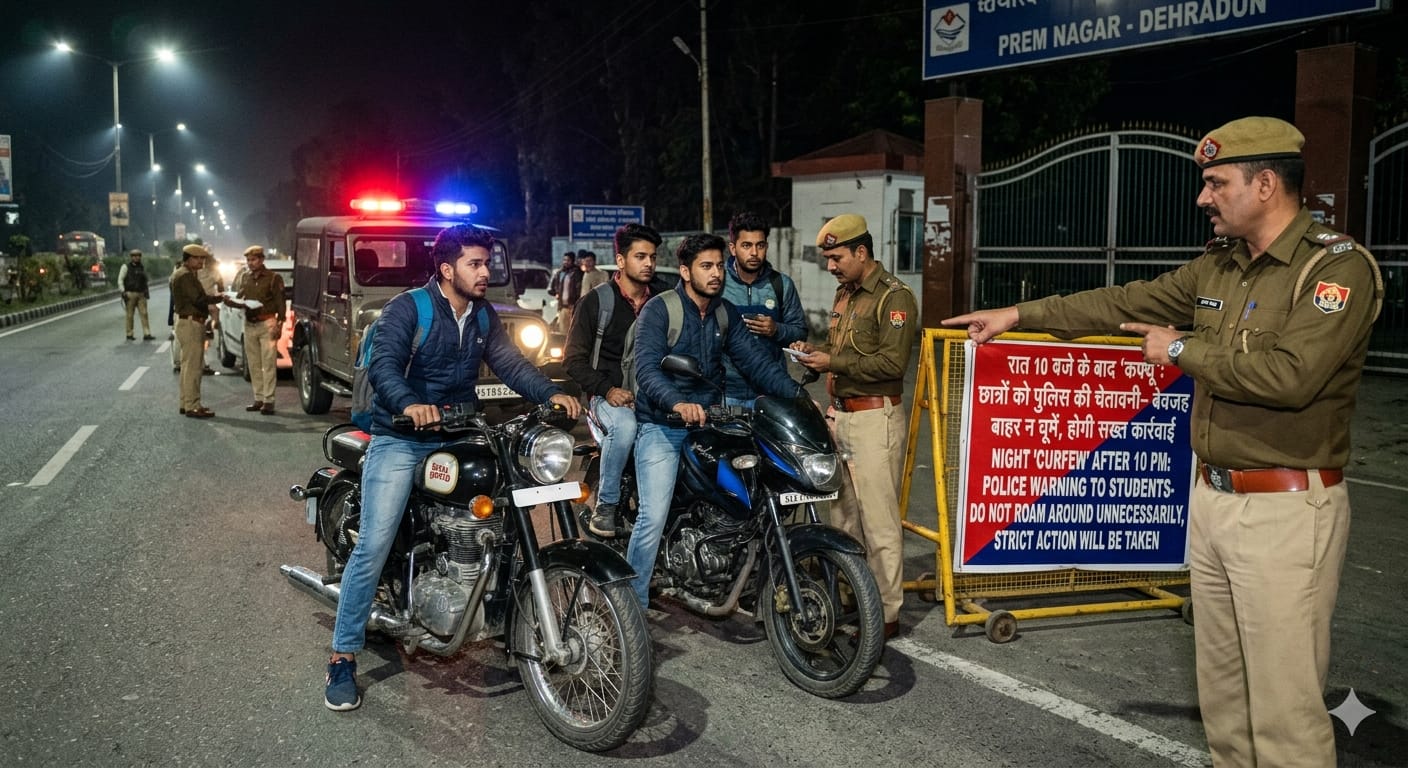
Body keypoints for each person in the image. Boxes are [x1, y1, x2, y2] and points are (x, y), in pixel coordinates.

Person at [942, 117, 1383, 768]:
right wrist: (1017, 314)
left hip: (1286, 511)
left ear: (1266, 184)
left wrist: (1180, 350)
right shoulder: (1221, 265)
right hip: (1212, 501)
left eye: (1217, 183)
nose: (1204, 197)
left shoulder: (1334, 269)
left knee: (1284, 712)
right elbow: (1124, 300)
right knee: (1224, 697)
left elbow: (1292, 377)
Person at [324, 224, 581, 712]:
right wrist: (410, 404)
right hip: (403, 436)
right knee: (374, 543)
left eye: (488, 263)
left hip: (460, 433)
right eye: (474, 264)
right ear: (447, 269)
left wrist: (550, 393)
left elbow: (511, 365)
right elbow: (384, 367)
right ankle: (342, 655)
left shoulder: (482, 315)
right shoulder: (409, 309)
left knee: (503, 505)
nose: (485, 272)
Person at [627, 233, 802, 609]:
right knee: (653, 515)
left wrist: (800, 399)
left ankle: (737, 574)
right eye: (706, 266)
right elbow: (647, 369)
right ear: (685, 271)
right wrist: (677, 403)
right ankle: (631, 604)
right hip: (663, 425)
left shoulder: (725, 313)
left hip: (710, 424)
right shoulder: (660, 310)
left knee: (750, 492)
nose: (716, 273)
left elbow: (757, 363)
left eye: (720, 266)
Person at [791, 214, 918, 641]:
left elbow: (892, 364)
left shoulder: (894, 298)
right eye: (828, 258)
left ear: (861, 252)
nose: (830, 266)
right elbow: (840, 350)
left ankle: (886, 614)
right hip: (841, 415)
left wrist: (833, 361)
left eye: (837, 257)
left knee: (879, 523)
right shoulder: (845, 294)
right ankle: (851, 597)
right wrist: (815, 353)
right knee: (843, 517)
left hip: (874, 419)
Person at [564, 224, 673, 538]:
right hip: (606, 399)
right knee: (624, 426)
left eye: (652, 256)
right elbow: (572, 360)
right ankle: (606, 506)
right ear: (621, 260)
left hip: (655, 395)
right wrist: (607, 390)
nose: (649, 263)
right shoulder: (596, 302)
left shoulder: (663, 300)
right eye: (640, 256)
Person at [721, 211, 807, 406]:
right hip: (727, 392)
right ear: (733, 248)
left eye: (760, 245)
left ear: (766, 246)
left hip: (771, 391)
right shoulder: (718, 284)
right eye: (746, 245)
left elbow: (800, 332)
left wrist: (776, 329)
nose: (754, 253)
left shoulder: (781, 284)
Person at [170, 244, 230, 418]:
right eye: (197, 258)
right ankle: (193, 406)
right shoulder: (185, 276)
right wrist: (219, 298)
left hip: (187, 321)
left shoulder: (184, 273)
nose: (201, 261)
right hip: (191, 323)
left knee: (187, 366)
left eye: (203, 258)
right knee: (194, 368)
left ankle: (186, 403)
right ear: (188, 259)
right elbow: (198, 299)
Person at [228, 245, 285, 415]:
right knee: (253, 364)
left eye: (253, 260)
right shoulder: (245, 277)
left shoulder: (273, 278)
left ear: (261, 260)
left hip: (267, 323)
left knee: (268, 364)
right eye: (248, 260)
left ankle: (269, 400)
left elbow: (280, 303)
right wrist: (230, 301)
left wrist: (279, 325)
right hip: (249, 323)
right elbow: (240, 296)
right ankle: (258, 398)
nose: (250, 263)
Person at [117, 249, 154, 341]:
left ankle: (147, 333)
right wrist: (123, 291)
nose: (137, 258)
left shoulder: (141, 267)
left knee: (144, 314)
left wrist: (146, 292)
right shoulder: (125, 267)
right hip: (130, 293)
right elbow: (120, 279)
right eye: (134, 256)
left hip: (141, 293)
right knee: (130, 315)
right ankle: (129, 334)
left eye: (138, 256)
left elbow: (145, 281)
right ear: (131, 257)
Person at [547, 251, 578, 332]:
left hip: (573, 307)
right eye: (564, 260)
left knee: (573, 331)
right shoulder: (560, 272)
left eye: (568, 260)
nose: (565, 262)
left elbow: (579, 289)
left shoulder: (577, 273)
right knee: (563, 331)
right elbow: (551, 288)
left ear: (572, 261)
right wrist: (556, 293)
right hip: (563, 307)